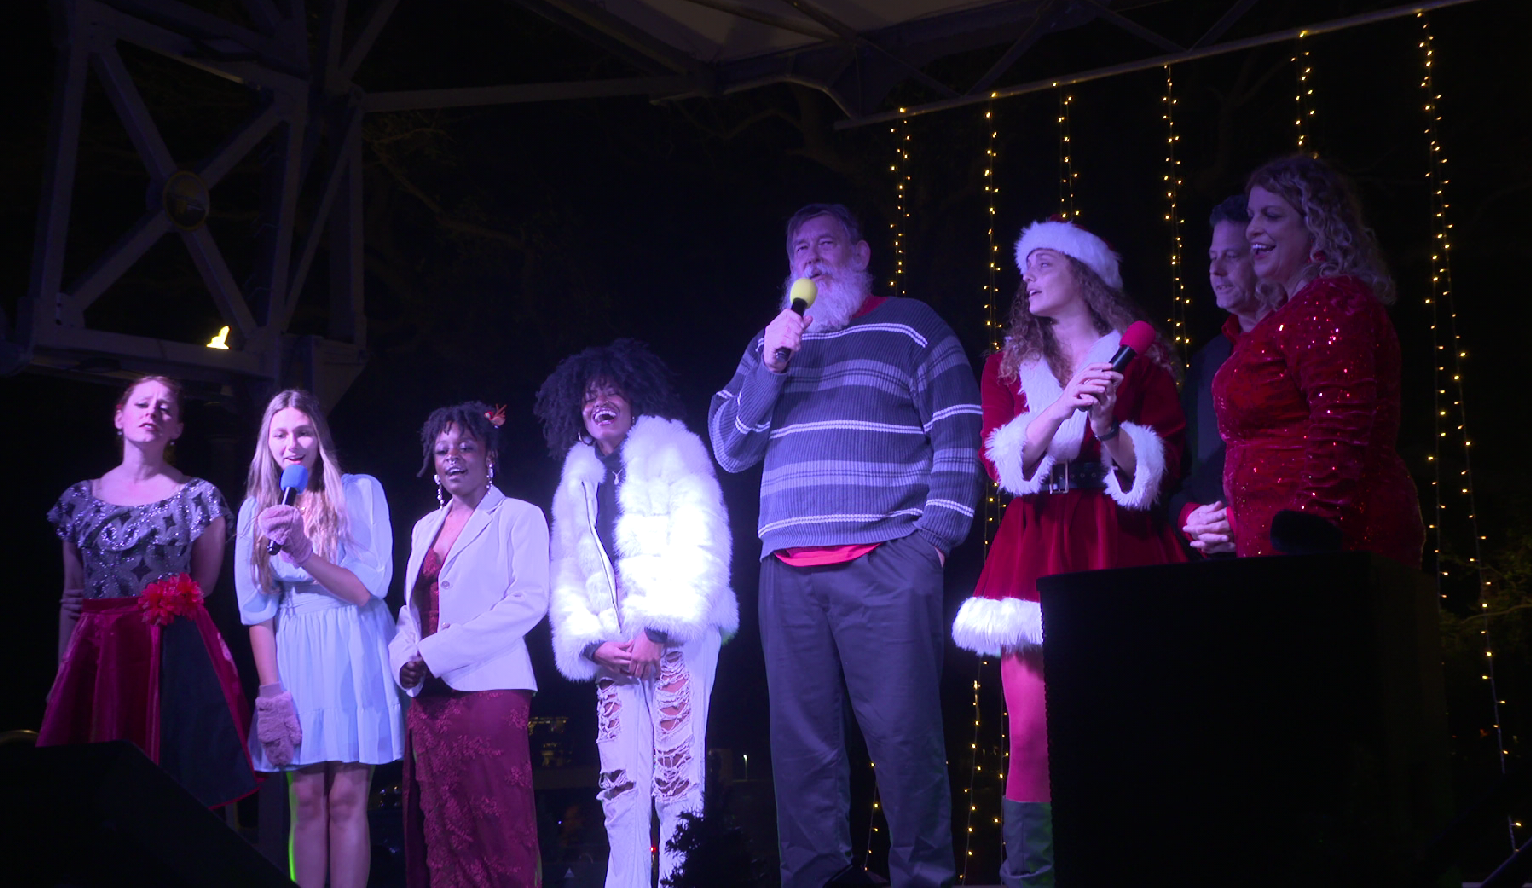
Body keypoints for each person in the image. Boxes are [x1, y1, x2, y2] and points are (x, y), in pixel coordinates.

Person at [709, 204, 982, 888]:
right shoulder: (773, 341)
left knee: (902, 737)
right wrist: (771, 363)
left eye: (826, 243)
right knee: (801, 751)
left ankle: (924, 878)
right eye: (799, 247)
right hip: (790, 571)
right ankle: (815, 880)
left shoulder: (913, 326)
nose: (812, 258)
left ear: (861, 254)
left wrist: (933, 544)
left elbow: (958, 426)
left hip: (889, 559)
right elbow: (730, 447)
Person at [950, 219, 1188, 886]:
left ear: (1083, 276)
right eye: (1027, 265)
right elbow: (1001, 462)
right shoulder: (1007, 366)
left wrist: (1109, 425)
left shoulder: (1142, 358)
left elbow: (1163, 462)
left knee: (1130, 723)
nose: (1030, 275)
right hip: (1037, 540)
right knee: (1030, 733)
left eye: (1045, 262)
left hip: (1120, 538)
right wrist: (1056, 413)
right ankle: (1032, 877)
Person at [538, 339, 736, 888]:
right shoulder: (576, 480)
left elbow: (703, 544)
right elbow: (566, 573)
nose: (599, 402)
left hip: (677, 633)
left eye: (611, 391)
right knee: (621, 786)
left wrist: (658, 628)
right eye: (589, 396)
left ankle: (681, 882)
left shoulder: (674, 451)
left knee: (678, 779)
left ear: (635, 397)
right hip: (613, 647)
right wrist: (590, 644)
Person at [42, 375, 255, 808]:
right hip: (99, 655)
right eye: (142, 404)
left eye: (165, 408)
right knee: (95, 789)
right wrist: (62, 678)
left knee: (169, 789)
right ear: (119, 417)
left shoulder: (199, 498)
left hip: (168, 654)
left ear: (177, 427)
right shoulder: (80, 499)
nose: (152, 413)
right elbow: (71, 598)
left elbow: (203, 587)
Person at [1216, 156, 1424, 566]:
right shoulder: (1288, 315)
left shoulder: (1330, 303)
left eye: (1271, 215)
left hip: (1328, 542)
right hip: (1278, 538)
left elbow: (1342, 419)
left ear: (1317, 227)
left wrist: (1314, 521)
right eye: (1253, 215)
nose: (1254, 228)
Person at [235, 389, 403, 888]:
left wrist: (305, 553)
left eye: (303, 431)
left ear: (320, 439)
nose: (293, 443)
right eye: (281, 433)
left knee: (348, 800)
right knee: (305, 800)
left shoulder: (360, 491)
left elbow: (366, 589)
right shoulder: (255, 510)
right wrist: (270, 694)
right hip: (295, 653)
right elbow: (256, 611)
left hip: (355, 645)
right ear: (267, 443)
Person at [389, 401, 549, 888]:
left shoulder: (518, 516)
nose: (453, 456)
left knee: (498, 830)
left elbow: (528, 602)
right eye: (441, 450)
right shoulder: (423, 528)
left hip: (490, 693)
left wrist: (436, 654)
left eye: (465, 446)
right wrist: (405, 662)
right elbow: (407, 614)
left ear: (489, 454)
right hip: (430, 704)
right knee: (443, 833)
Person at [1171, 195, 1275, 556]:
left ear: (1264, 258)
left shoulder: (1301, 342)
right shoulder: (1207, 360)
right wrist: (1190, 516)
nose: (1216, 271)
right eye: (1213, 258)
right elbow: (1181, 474)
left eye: (1232, 256)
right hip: (1218, 562)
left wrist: (1245, 521)